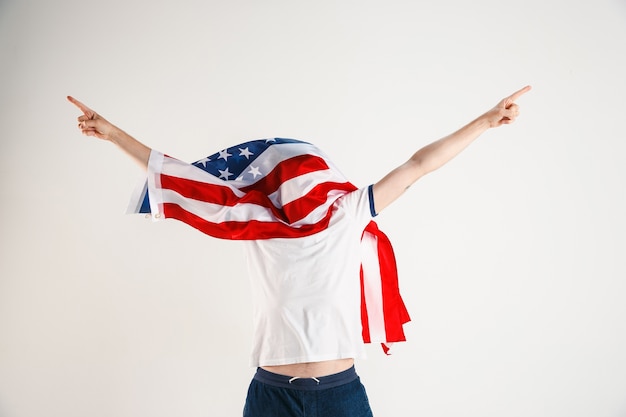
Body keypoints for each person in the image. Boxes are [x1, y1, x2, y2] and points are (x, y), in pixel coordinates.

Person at [68, 85, 531, 416]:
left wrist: (487, 121)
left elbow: (418, 166)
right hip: (271, 396)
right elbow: (182, 180)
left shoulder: (349, 212)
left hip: (340, 396)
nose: (300, 189)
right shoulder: (253, 220)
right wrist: (112, 134)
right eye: (288, 179)